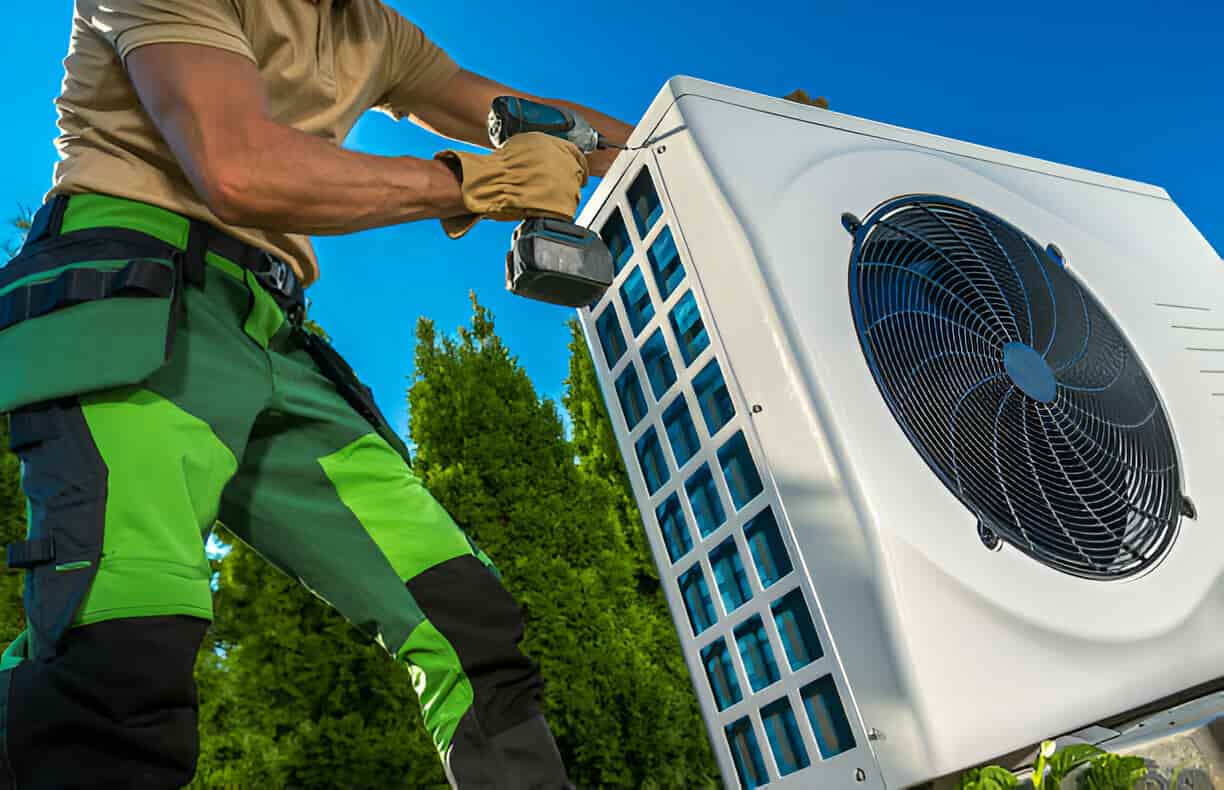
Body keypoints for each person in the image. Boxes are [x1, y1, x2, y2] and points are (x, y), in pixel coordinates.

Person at [0, 1, 632, 787]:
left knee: (465, 620)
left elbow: (532, 117)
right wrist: (473, 181)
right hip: (136, 293)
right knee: (122, 640)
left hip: (274, 329)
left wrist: (720, 138)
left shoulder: (374, 30)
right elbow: (237, 169)